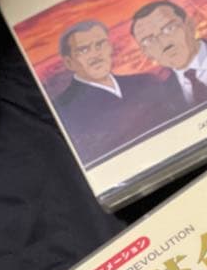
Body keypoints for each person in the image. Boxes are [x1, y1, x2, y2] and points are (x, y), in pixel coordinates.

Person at [53, 19, 166, 166]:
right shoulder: (63, 110)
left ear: (110, 47)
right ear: (69, 62)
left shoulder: (146, 82)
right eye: (84, 50)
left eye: (100, 45)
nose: (96, 54)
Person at [130, 0, 207, 110]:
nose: (164, 43)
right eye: (149, 40)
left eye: (169, 28)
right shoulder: (163, 98)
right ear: (146, 52)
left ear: (190, 25)